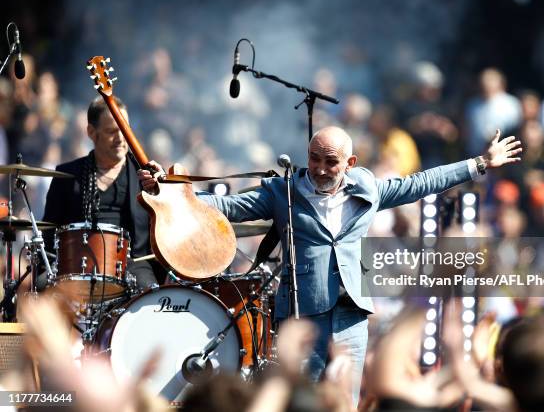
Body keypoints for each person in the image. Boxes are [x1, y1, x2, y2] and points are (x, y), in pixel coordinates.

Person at [139, 125, 522, 407]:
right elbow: (230, 206)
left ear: (350, 163)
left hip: (351, 317)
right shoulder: (284, 192)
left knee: (345, 402)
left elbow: (419, 183)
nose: (320, 169)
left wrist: (479, 163)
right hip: (303, 314)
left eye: (331, 162)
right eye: (314, 159)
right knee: (303, 402)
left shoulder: (368, 188)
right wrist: (172, 192)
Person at [42, 96, 164, 290]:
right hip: (77, 265)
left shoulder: (145, 176)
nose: (120, 138)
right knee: (41, 291)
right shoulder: (66, 176)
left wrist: (162, 188)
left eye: (124, 131)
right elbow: (48, 235)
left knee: (151, 298)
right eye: (111, 131)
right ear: (91, 132)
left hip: (134, 264)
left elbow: (168, 223)